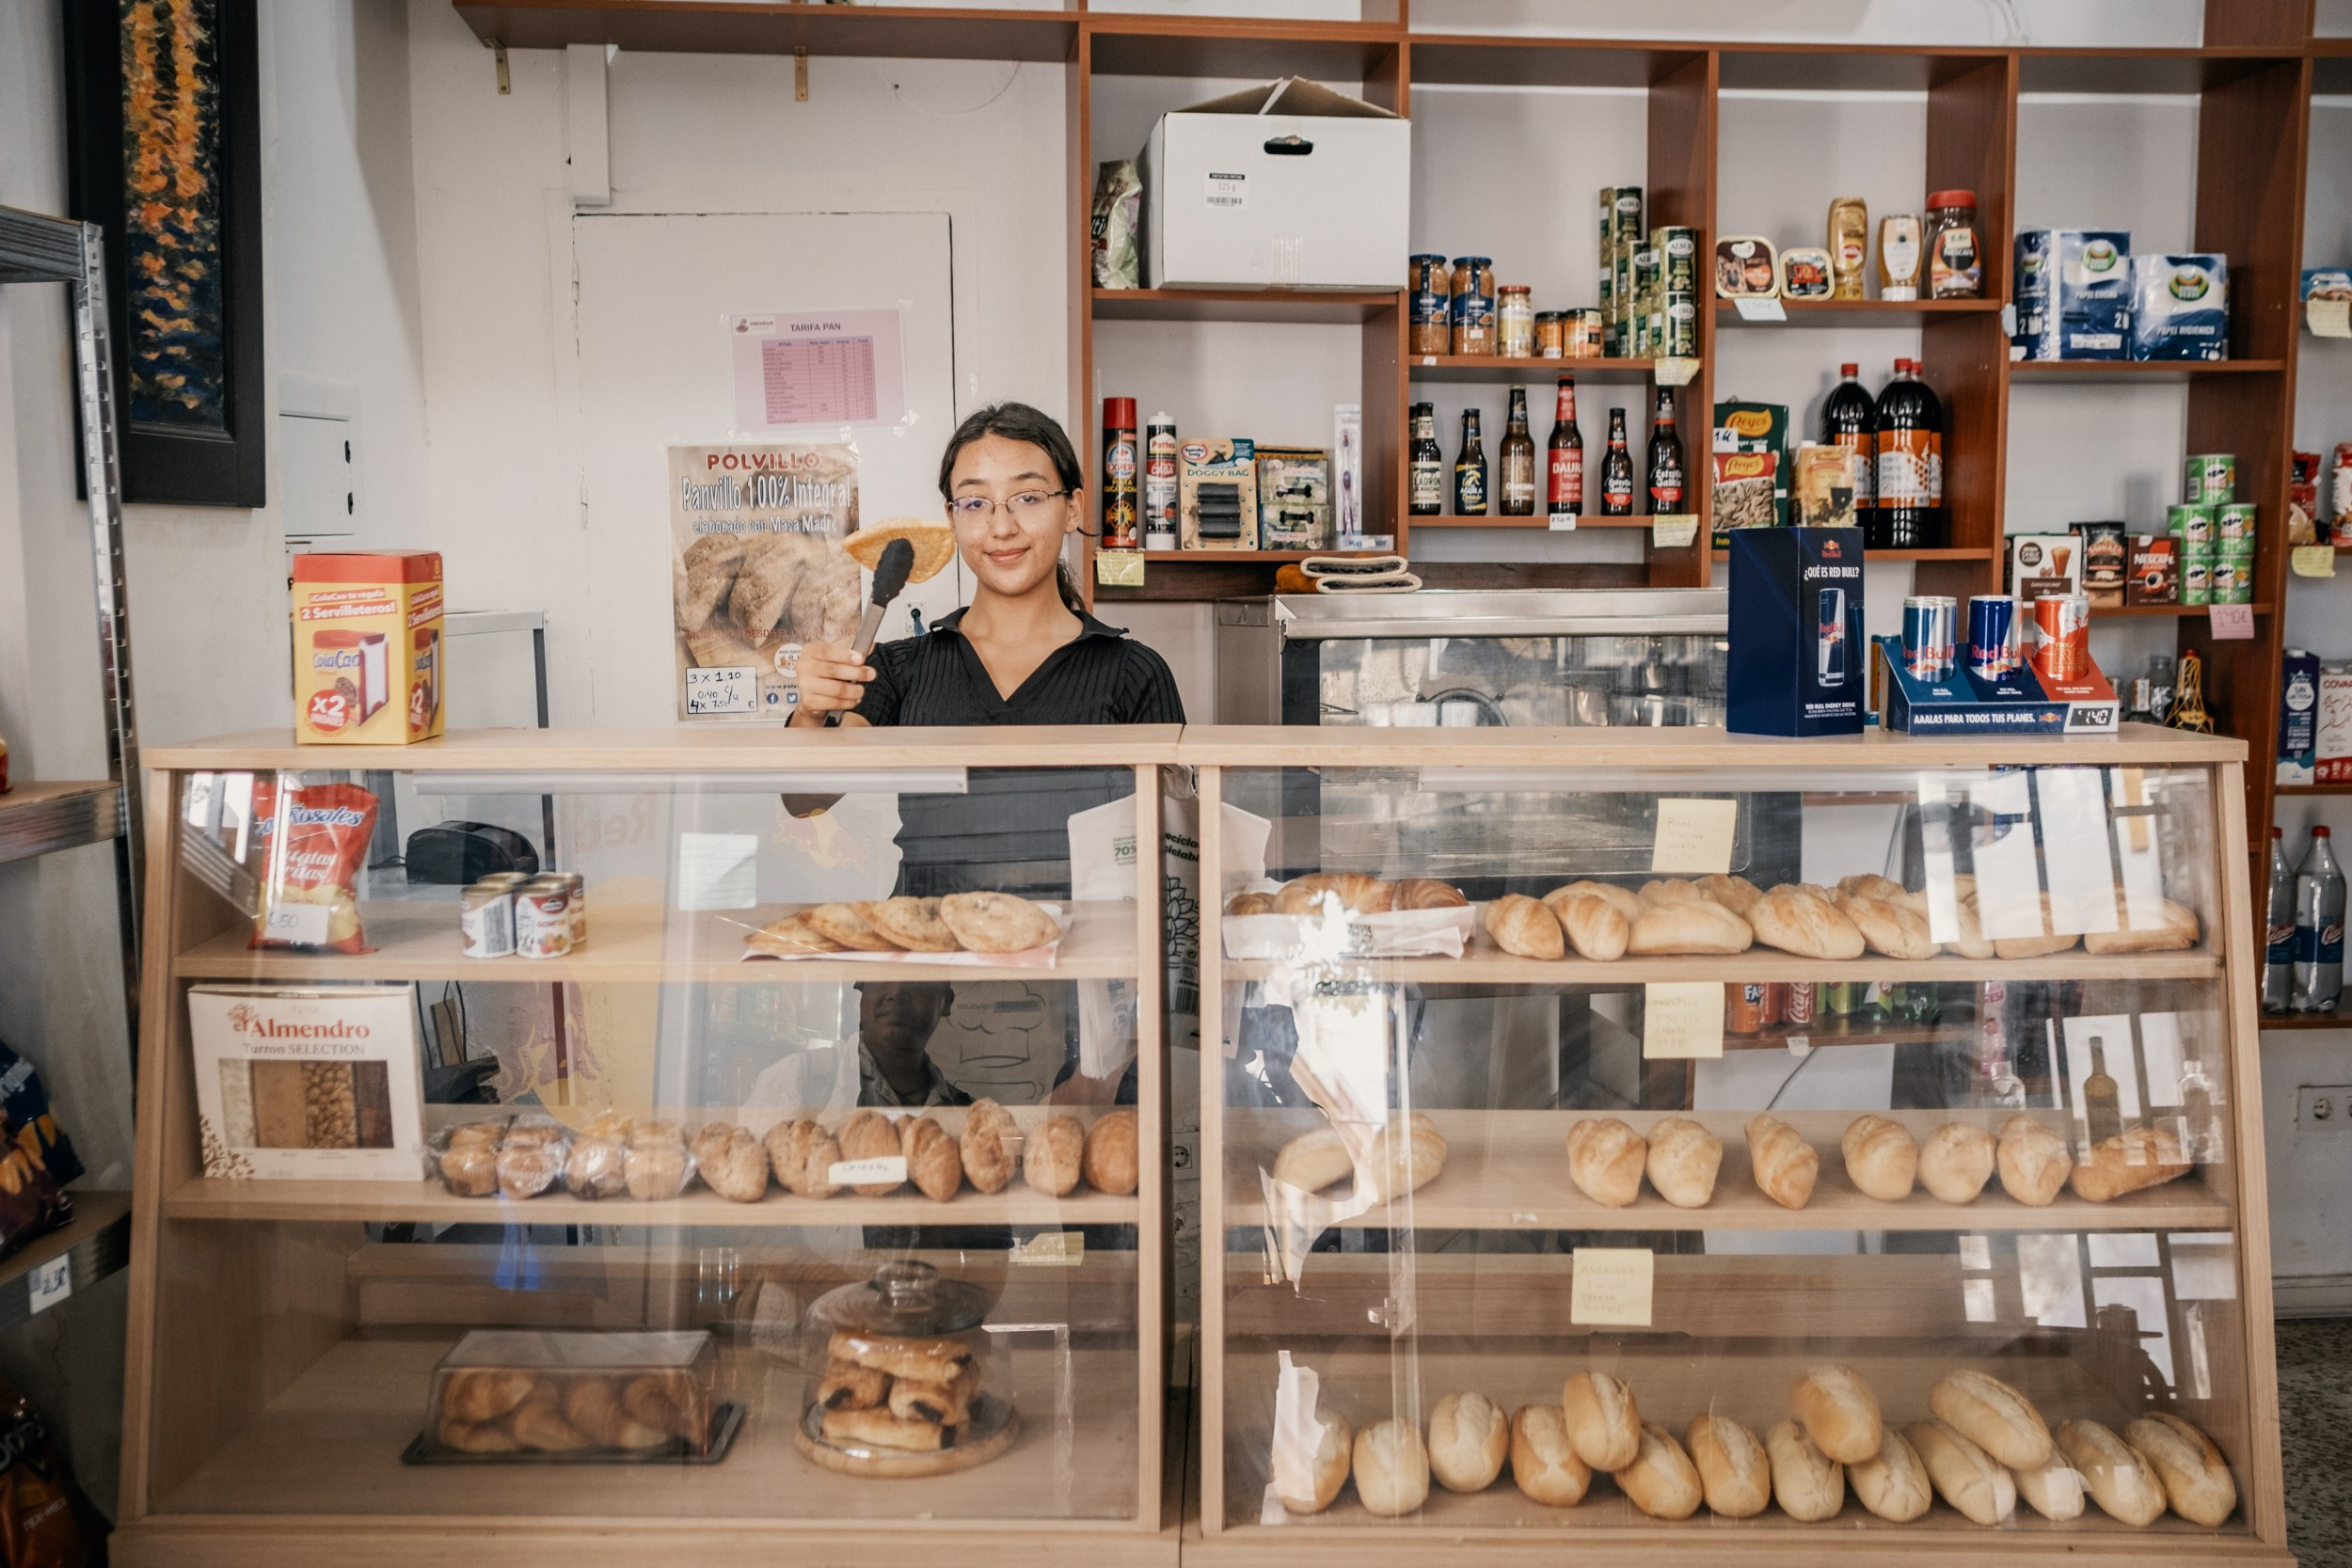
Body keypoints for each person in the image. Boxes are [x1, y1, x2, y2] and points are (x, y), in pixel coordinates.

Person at [788, 401, 1183, 730]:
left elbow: (1173, 818)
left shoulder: (1135, 672)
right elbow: (807, 800)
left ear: (1072, 509)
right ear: (951, 518)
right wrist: (810, 712)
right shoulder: (895, 671)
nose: (1001, 527)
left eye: (1028, 497)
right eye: (975, 503)